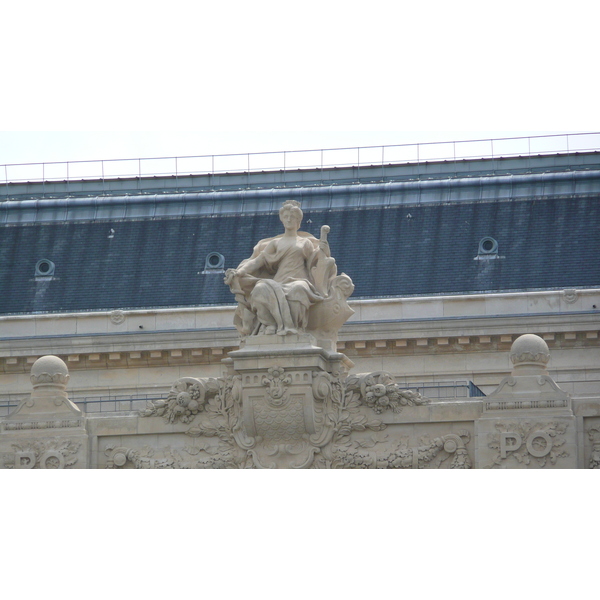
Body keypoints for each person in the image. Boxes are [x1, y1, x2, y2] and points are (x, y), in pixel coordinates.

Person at [225, 200, 333, 337]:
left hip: (298, 280)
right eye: (286, 216)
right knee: (259, 289)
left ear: (298, 220)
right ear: (281, 219)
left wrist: (325, 250)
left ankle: (294, 327)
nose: (289, 219)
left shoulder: (305, 242)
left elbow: (317, 262)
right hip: (278, 281)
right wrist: (239, 272)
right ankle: (271, 324)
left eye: (292, 217)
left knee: (298, 289)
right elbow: (258, 261)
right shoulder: (275, 243)